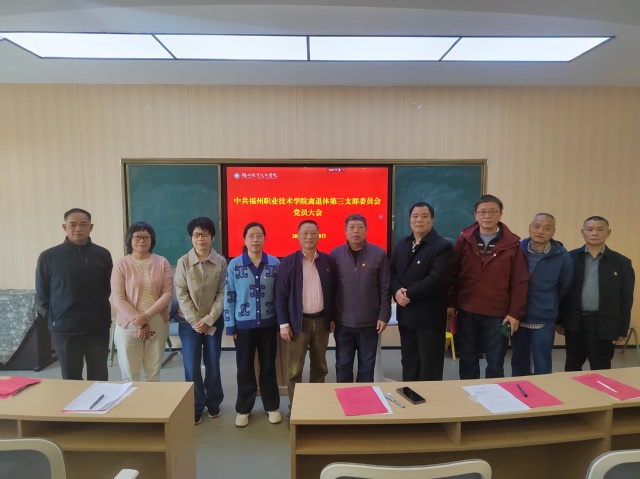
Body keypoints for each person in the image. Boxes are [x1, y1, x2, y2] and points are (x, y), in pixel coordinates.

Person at [447, 195, 529, 379]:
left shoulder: (512, 244)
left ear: (500, 214)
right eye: (483, 212)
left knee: (495, 360)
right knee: (467, 357)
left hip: (498, 312)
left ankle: (493, 393)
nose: (487, 216)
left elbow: (519, 280)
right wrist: (451, 303)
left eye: (493, 211)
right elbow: (453, 273)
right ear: (475, 214)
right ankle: (468, 390)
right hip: (467, 309)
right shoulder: (465, 239)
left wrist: (514, 313)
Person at [35, 208, 113, 380]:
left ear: (91, 227)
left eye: (83, 224)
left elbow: (106, 288)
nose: (78, 229)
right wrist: (58, 313)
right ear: (65, 227)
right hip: (65, 327)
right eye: (73, 225)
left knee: (99, 375)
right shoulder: (49, 256)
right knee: (71, 377)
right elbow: (43, 292)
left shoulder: (102, 254)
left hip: (97, 326)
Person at [558, 216, 635, 371]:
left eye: (600, 229)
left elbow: (626, 299)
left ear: (608, 232)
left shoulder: (622, 263)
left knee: (601, 367)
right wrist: (559, 320)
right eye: (590, 229)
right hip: (575, 322)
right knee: (572, 366)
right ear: (583, 232)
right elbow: (561, 292)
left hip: (605, 324)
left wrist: (622, 329)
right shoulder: (569, 258)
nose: (594, 233)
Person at [224, 222, 281, 428]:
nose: (255, 239)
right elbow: (229, 295)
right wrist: (230, 325)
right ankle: (243, 408)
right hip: (243, 326)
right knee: (244, 367)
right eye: (251, 236)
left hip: (268, 324)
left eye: (259, 236)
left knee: (268, 366)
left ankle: (272, 406)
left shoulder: (274, 263)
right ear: (244, 239)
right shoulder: (235, 265)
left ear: (265, 238)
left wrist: (281, 322)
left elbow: (280, 295)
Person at [389, 202, 455, 381]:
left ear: (432, 220)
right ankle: (409, 393)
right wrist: (396, 292)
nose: (419, 220)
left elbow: (436, 278)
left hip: (429, 317)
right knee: (409, 361)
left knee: (429, 365)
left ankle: (429, 398)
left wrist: (407, 294)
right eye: (415, 216)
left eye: (424, 216)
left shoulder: (442, 247)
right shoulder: (402, 244)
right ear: (409, 220)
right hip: (406, 315)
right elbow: (391, 272)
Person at [275, 220, 335, 412]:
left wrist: (331, 317)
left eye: (313, 233)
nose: (309, 237)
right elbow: (280, 295)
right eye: (305, 233)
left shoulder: (327, 261)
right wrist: (283, 324)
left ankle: (315, 405)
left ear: (319, 235)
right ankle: (296, 407)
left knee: (320, 366)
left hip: (322, 321)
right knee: (294, 369)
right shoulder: (288, 262)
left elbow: (333, 292)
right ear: (298, 236)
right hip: (298, 323)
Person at [174, 217, 227, 425]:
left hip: (213, 321)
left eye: (205, 234)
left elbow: (223, 292)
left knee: (212, 363)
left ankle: (213, 401)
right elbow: (181, 293)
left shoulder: (221, 262)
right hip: (189, 323)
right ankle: (195, 405)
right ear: (191, 238)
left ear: (212, 237)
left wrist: (209, 319)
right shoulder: (183, 262)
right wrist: (196, 321)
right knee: (191, 365)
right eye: (196, 235)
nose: (200, 238)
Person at [330, 214, 391, 383]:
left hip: (369, 323)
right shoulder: (335, 254)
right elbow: (331, 289)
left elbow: (385, 287)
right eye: (351, 227)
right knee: (343, 365)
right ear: (345, 231)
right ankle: (344, 397)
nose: (355, 231)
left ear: (366, 230)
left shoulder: (378, 254)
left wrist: (383, 316)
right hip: (343, 323)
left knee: (367, 366)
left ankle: (364, 398)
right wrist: (331, 317)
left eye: (360, 227)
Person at [510, 213, 573, 376]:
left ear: (553, 232)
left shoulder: (562, 257)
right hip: (517, 317)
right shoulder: (516, 249)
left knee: (542, 363)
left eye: (546, 228)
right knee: (519, 361)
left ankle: (542, 392)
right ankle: (519, 390)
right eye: (536, 226)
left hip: (544, 318)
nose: (540, 231)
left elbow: (564, 288)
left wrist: (549, 303)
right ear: (529, 228)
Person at [111, 222, 173, 382]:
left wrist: (145, 316)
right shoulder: (121, 264)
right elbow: (118, 298)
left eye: (146, 237)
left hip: (157, 321)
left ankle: (152, 399)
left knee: (153, 371)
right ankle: (133, 399)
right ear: (129, 239)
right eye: (137, 236)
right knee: (130, 373)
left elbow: (167, 294)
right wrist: (138, 320)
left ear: (152, 240)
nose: (142, 240)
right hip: (128, 323)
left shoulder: (162, 262)